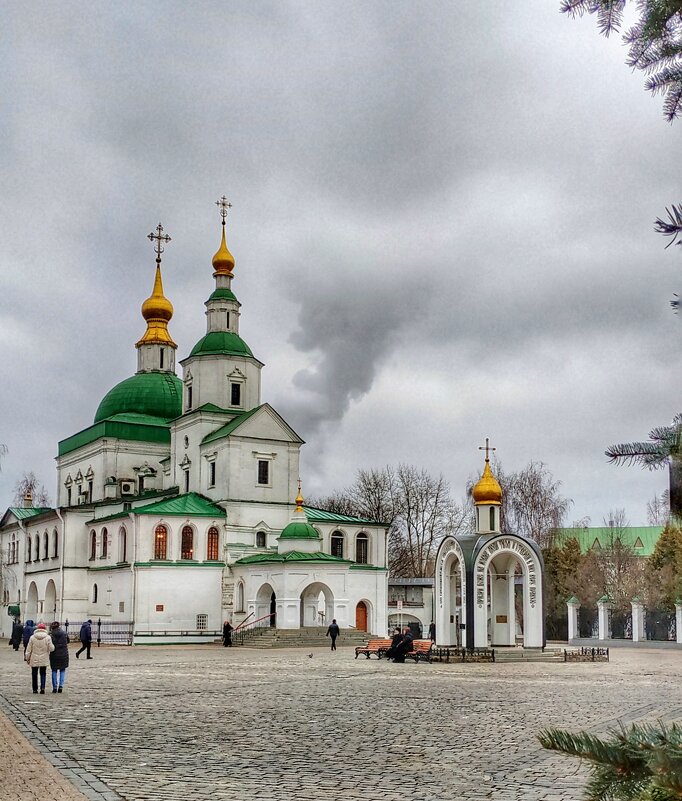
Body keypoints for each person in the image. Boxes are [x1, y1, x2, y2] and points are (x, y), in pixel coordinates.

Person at [25, 623, 55, 694]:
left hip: (34, 657)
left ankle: (35, 689)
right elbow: (51, 649)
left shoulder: (32, 637)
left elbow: (29, 649)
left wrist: (27, 658)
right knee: (43, 673)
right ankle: (42, 688)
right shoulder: (48, 637)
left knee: (34, 674)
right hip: (44, 658)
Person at [49, 622, 69, 693]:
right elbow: (68, 641)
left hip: (54, 653)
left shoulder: (51, 635)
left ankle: (54, 687)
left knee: (54, 670)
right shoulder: (64, 633)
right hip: (63, 653)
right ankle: (61, 686)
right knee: (62, 670)